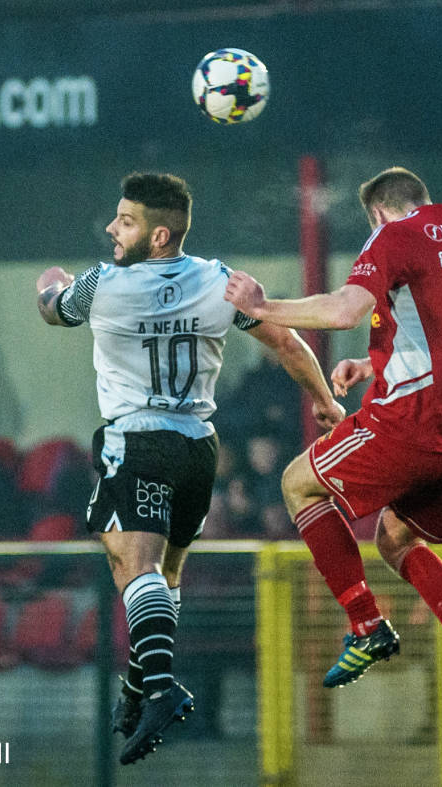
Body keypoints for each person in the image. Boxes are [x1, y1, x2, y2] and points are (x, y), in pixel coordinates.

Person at [35, 172, 343, 764]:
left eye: (124, 221)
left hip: (138, 441)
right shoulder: (218, 280)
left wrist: (50, 284)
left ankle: (159, 684)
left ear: (157, 235)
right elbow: (287, 343)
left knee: (132, 563)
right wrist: (324, 399)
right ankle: (137, 683)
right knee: (163, 578)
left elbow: (55, 312)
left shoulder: (102, 285)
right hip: (199, 451)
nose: (110, 228)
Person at [223, 166, 442, 731]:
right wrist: (372, 365)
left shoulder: (395, 234)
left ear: (378, 214)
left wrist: (262, 308)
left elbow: (343, 311)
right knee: (396, 540)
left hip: (410, 426)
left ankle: (366, 626)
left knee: (297, 483)